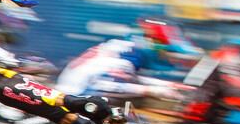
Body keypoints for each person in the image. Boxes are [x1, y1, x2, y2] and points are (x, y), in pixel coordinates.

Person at [54, 17, 199, 102]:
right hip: (72, 103)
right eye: (165, 52)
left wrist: (168, 86)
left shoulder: (123, 50)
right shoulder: (126, 56)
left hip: (75, 100)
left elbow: (128, 79)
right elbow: (103, 85)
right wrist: (149, 90)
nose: (169, 58)